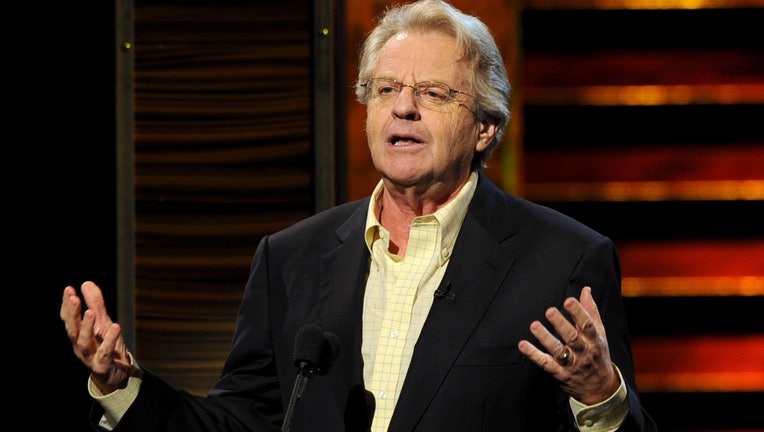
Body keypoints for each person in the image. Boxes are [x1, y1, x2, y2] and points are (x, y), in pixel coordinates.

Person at [61, 0, 658, 430]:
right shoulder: (290, 258)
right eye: (384, 88)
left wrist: (600, 395)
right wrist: (124, 390)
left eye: (433, 93)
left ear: (485, 127)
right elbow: (241, 422)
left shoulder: (563, 259)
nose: (403, 108)